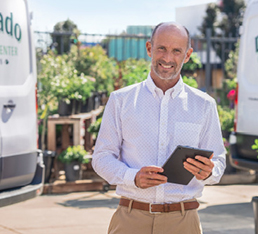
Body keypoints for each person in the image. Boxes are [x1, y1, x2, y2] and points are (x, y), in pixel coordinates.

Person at [92, 22, 226, 234]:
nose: (167, 58)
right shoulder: (121, 100)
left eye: (176, 51)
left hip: (184, 222)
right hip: (130, 219)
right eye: (161, 48)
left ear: (188, 55)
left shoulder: (204, 105)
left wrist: (209, 172)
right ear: (149, 49)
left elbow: (218, 162)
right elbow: (101, 157)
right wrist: (133, 177)